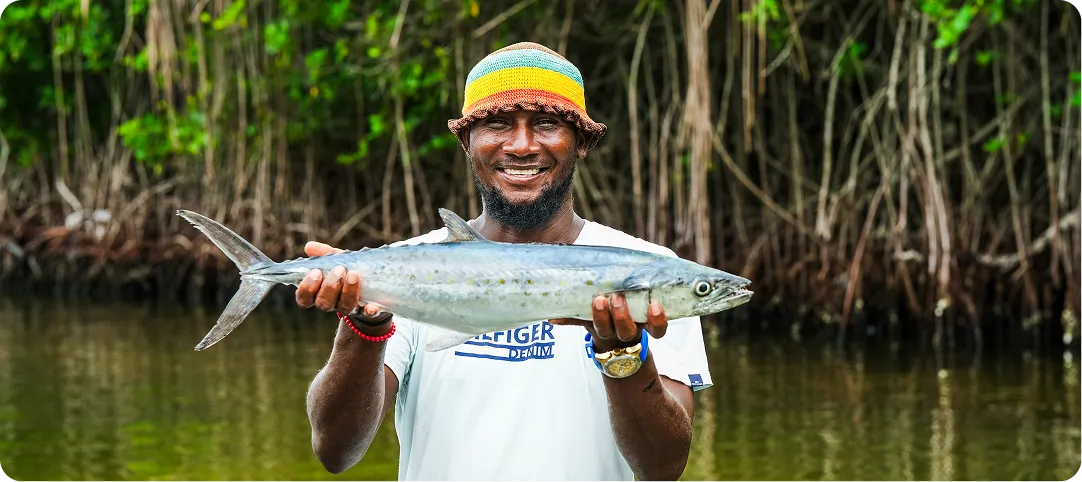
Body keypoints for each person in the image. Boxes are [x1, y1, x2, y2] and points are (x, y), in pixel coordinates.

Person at [298, 42, 713, 482]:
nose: (521, 145)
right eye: (498, 123)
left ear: (583, 141)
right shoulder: (406, 267)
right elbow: (335, 452)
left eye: (547, 123)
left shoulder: (653, 271)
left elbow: (663, 468)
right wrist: (365, 330)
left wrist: (622, 352)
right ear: (466, 140)